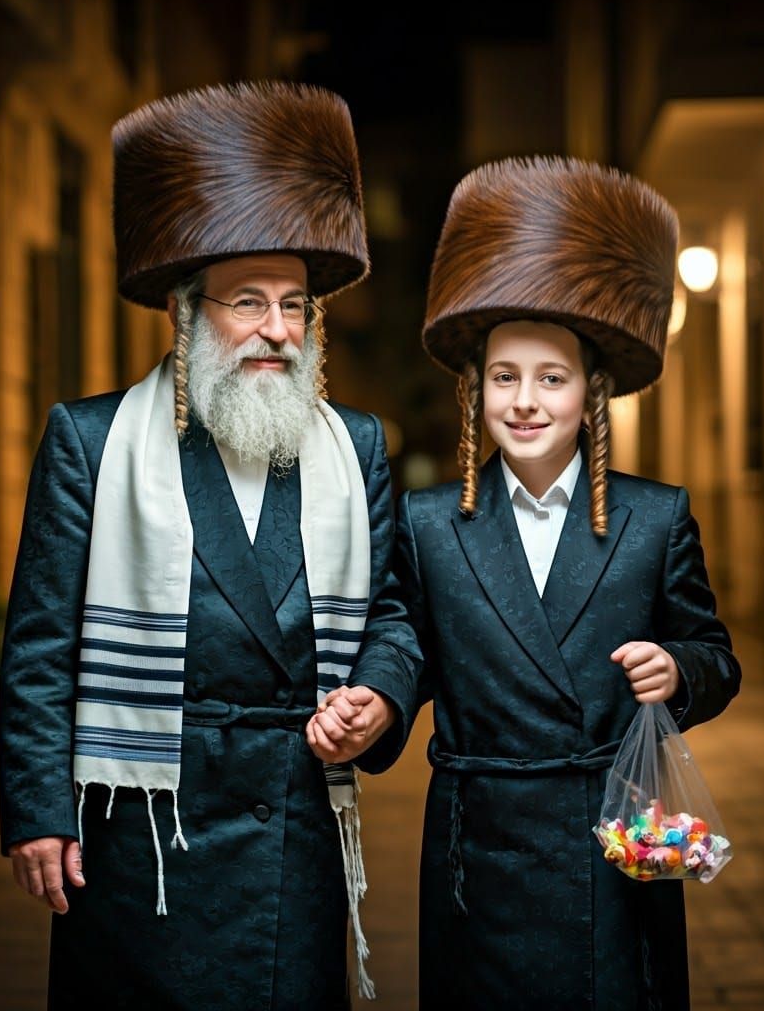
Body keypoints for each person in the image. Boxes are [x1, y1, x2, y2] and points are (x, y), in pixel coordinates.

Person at [0, 81, 422, 1011]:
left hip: (292, 830)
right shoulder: (92, 441)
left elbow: (392, 613)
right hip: (143, 835)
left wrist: (382, 700)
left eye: (295, 306)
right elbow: (39, 648)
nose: (276, 329)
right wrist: (36, 814)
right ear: (189, 315)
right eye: (247, 302)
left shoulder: (355, 447)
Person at [311, 156, 742, 1009]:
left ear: (592, 393)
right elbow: (404, 637)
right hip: (481, 846)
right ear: (477, 393)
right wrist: (379, 698)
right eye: (505, 377)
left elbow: (715, 655)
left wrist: (679, 670)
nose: (527, 400)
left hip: (612, 843)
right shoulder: (432, 522)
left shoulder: (655, 518)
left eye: (553, 378)